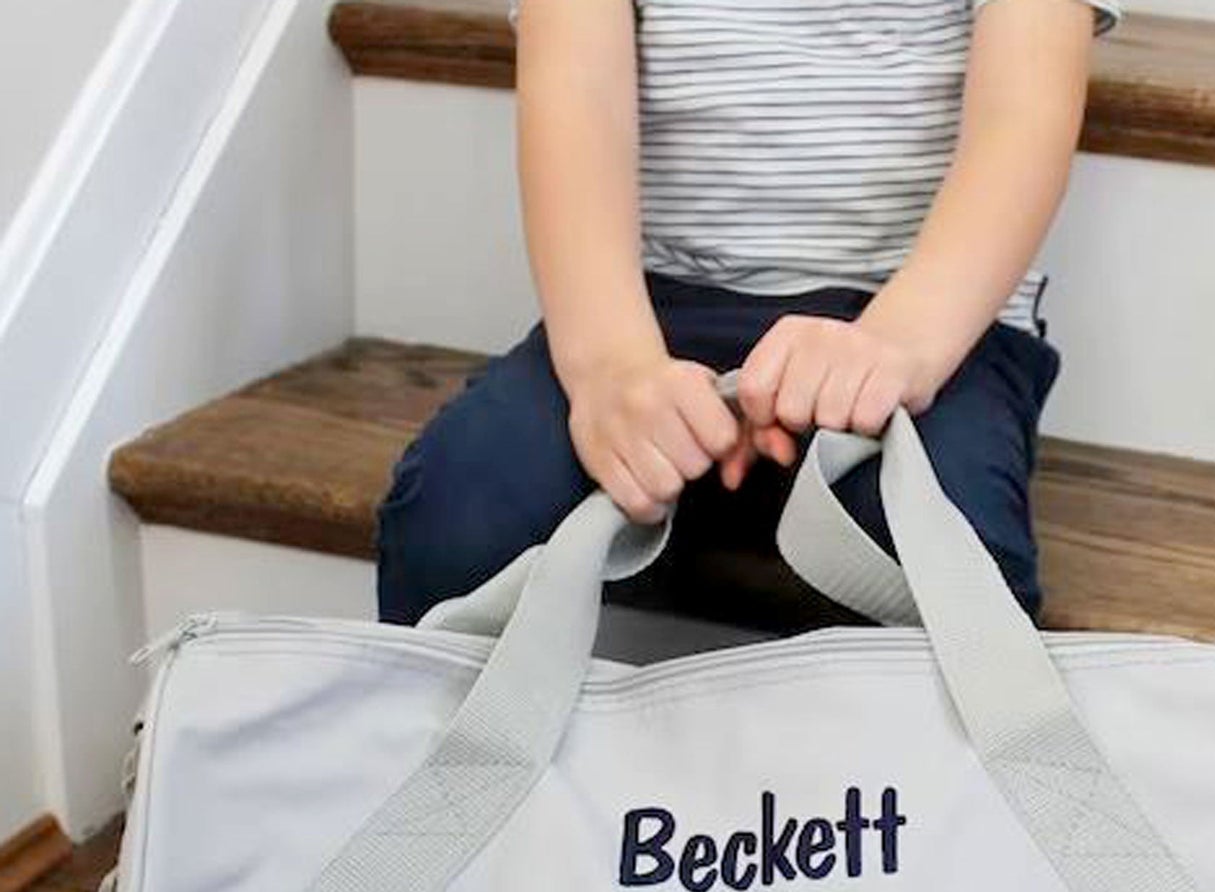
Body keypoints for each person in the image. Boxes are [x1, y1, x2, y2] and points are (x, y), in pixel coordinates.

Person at [376, 0, 1120, 627]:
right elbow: (578, 94)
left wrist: (898, 342)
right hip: (650, 306)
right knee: (457, 511)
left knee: (951, 561)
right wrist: (611, 365)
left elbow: (1021, 119)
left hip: (914, 317)